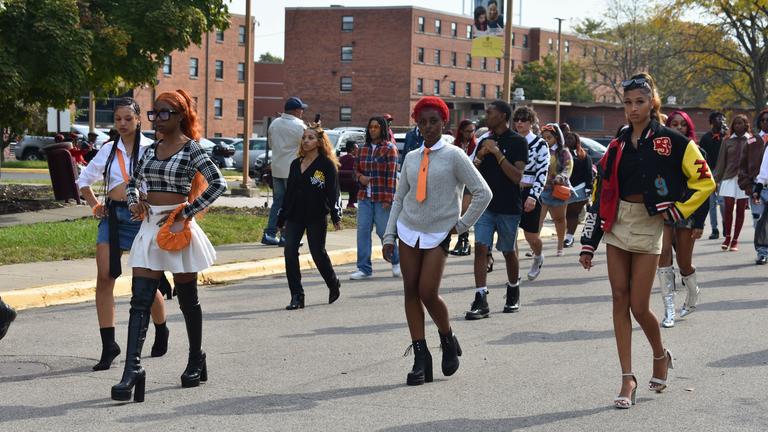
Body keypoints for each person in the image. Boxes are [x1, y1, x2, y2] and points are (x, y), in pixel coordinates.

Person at [580, 73, 715, 409]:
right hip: (617, 224)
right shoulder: (617, 144)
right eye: (627, 103)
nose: (633, 109)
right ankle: (627, 377)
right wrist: (588, 240)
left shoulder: (673, 141)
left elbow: (705, 181)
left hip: (650, 225)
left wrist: (680, 210)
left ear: (652, 102)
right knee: (618, 298)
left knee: (640, 306)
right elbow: (601, 193)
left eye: (639, 101)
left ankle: (660, 354)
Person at [112, 89, 227, 403]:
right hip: (150, 227)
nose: (157, 119)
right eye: (155, 113)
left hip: (177, 227)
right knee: (140, 300)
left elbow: (219, 183)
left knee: (188, 298)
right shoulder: (151, 149)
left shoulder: (192, 150)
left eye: (164, 113)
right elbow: (134, 183)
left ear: (180, 117)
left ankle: (195, 358)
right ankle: (132, 370)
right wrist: (135, 202)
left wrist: (186, 213)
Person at [383, 96, 491, 386]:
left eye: (434, 121)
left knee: (427, 291)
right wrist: (389, 235)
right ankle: (421, 358)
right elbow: (399, 197)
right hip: (408, 229)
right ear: (417, 125)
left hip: (438, 233)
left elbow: (483, 192)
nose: (428, 127)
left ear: (444, 123)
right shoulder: (411, 157)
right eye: (423, 122)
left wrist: (462, 225)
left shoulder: (455, 155)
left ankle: (447, 337)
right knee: (410, 291)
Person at [77, 97, 169, 371]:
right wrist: (96, 205)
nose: (123, 124)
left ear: (139, 119)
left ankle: (161, 328)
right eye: (118, 119)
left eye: (128, 119)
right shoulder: (108, 149)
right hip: (113, 219)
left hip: (141, 219)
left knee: (145, 283)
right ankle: (109, 346)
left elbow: (161, 183)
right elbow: (83, 180)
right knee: (105, 277)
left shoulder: (151, 149)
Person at [465, 100, 528, 319]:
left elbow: (517, 176)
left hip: (509, 207)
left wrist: (498, 153)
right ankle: (480, 297)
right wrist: (482, 155)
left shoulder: (518, 142)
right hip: (485, 207)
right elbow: (471, 172)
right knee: (481, 248)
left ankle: (513, 290)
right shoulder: (484, 139)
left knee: (509, 252)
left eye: (490, 112)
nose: (486, 115)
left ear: (502, 116)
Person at [278, 123, 343, 310]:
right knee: (289, 252)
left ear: (319, 142)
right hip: (295, 216)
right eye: (304, 137)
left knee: (317, 254)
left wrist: (336, 215)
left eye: (310, 138)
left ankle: (333, 283)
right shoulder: (295, 164)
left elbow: (333, 192)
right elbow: (288, 193)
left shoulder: (326, 165)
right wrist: (281, 218)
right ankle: (297, 296)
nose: (306, 141)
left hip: (316, 215)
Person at [657, 110, 711, 328]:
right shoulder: (659, 151)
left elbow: (705, 190)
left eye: (682, 125)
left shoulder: (698, 151)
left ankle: (692, 291)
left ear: (689, 128)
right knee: (663, 254)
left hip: (687, 211)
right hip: (664, 210)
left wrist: (699, 223)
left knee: (684, 262)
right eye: (674, 124)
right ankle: (668, 308)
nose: (678, 128)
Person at [350, 116, 401, 280]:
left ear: (383, 129)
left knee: (384, 232)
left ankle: (397, 262)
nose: (372, 130)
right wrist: (359, 178)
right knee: (363, 231)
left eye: (376, 127)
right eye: (370, 127)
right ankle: (364, 268)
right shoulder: (362, 149)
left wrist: (388, 198)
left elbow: (391, 176)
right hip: (364, 197)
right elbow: (354, 171)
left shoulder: (389, 148)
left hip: (382, 198)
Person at [263, 96, 308, 246]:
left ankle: (270, 233)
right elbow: (306, 146)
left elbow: (271, 143)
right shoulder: (300, 126)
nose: (302, 112)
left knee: (278, 202)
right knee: (292, 203)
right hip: (293, 169)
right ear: (296, 111)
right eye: (301, 109)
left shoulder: (274, 124)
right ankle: (286, 236)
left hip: (276, 167)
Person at [512, 106, 550, 280]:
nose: (519, 123)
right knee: (511, 234)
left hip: (529, 192)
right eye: (517, 119)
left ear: (531, 122)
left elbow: (542, 172)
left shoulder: (540, 144)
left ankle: (538, 256)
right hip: (511, 192)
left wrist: (533, 196)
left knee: (531, 236)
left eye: (523, 120)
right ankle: (515, 271)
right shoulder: (511, 141)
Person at [714, 114, 752, 252]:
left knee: (741, 210)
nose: (737, 126)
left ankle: (735, 240)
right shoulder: (727, 140)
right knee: (728, 208)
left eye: (740, 123)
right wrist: (715, 180)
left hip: (744, 180)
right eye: (735, 124)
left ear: (746, 125)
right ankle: (727, 237)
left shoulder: (751, 140)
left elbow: (754, 162)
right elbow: (721, 162)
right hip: (729, 178)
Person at [538, 123, 573, 257]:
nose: (546, 140)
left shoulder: (564, 152)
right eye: (544, 137)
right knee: (538, 220)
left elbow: (568, 168)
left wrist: (560, 177)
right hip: (541, 189)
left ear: (556, 138)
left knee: (559, 219)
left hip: (558, 190)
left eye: (549, 137)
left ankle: (560, 245)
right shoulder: (540, 150)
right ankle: (535, 246)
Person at [742, 109, 768, 264]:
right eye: (763, 120)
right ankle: (762, 252)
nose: (766, 122)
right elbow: (744, 165)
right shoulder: (752, 141)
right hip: (758, 187)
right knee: (759, 220)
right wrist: (750, 187)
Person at [449, 119, 478, 256]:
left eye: (472, 131)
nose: (470, 134)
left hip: (470, 182)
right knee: (457, 211)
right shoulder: (455, 145)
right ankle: (461, 242)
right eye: (467, 131)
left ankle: (464, 242)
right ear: (461, 131)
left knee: (464, 211)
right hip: (456, 182)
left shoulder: (476, 146)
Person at [699, 111, 727, 239]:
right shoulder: (705, 138)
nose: (721, 120)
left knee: (722, 202)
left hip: (724, 173)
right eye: (718, 118)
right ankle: (714, 229)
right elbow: (702, 157)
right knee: (711, 203)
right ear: (711, 122)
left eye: (722, 118)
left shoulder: (725, 137)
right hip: (709, 172)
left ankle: (725, 224)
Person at [563, 132, 593, 248]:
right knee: (564, 215)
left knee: (573, 214)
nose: (569, 140)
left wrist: (588, 188)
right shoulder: (561, 154)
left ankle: (569, 238)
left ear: (577, 141)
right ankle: (565, 235)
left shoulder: (584, 155)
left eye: (571, 138)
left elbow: (588, 173)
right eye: (567, 138)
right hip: (563, 189)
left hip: (579, 190)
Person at [339, 140, 359, 208]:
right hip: (352, 184)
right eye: (357, 148)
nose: (358, 150)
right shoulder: (355, 160)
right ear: (352, 150)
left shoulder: (341, 159)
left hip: (340, 183)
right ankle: (351, 203)